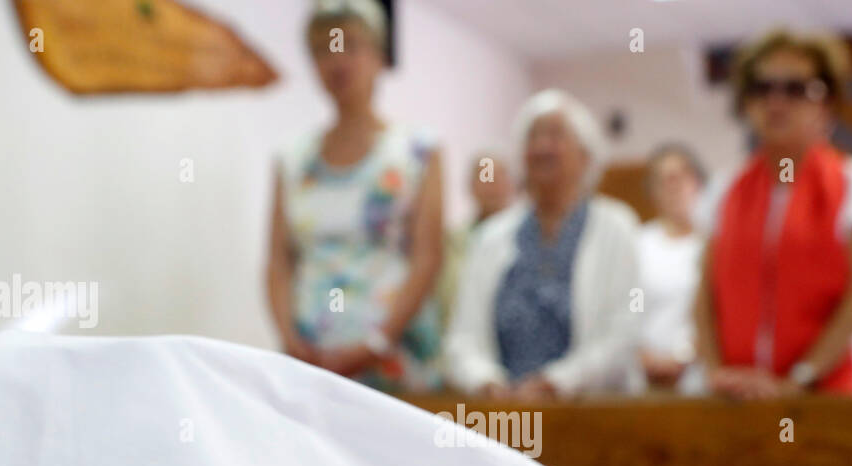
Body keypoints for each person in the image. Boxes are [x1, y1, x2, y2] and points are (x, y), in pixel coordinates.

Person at [694, 28, 852, 399]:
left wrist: (797, 380)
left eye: (796, 89)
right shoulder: (724, 188)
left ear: (825, 102)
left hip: (824, 396)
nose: (776, 102)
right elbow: (705, 295)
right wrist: (716, 373)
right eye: (762, 89)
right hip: (735, 397)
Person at [267, 0, 444, 392]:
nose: (336, 59)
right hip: (310, 363)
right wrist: (290, 339)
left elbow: (428, 257)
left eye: (349, 44)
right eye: (322, 49)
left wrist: (375, 343)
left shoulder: (419, 151)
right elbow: (278, 261)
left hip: (393, 361)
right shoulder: (292, 159)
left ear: (379, 55)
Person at [443, 90, 641, 399]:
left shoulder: (617, 227)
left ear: (586, 155)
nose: (541, 147)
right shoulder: (491, 236)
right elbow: (463, 336)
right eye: (532, 137)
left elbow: (625, 329)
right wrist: (486, 380)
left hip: (593, 414)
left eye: (555, 135)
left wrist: (556, 383)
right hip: (505, 416)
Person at [638, 144, 706, 391]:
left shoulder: (711, 246)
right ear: (652, 190)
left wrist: (683, 357)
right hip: (643, 380)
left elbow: (716, 313)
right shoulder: (638, 245)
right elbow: (630, 309)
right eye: (663, 180)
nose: (673, 186)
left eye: (681, 177)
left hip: (697, 380)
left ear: (698, 183)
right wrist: (644, 356)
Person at [435, 151, 516, 335]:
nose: (491, 186)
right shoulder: (452, 241)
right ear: (470, 186)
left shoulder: (526, 238)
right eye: (484, 177)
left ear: (512, 184)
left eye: (497, 177)